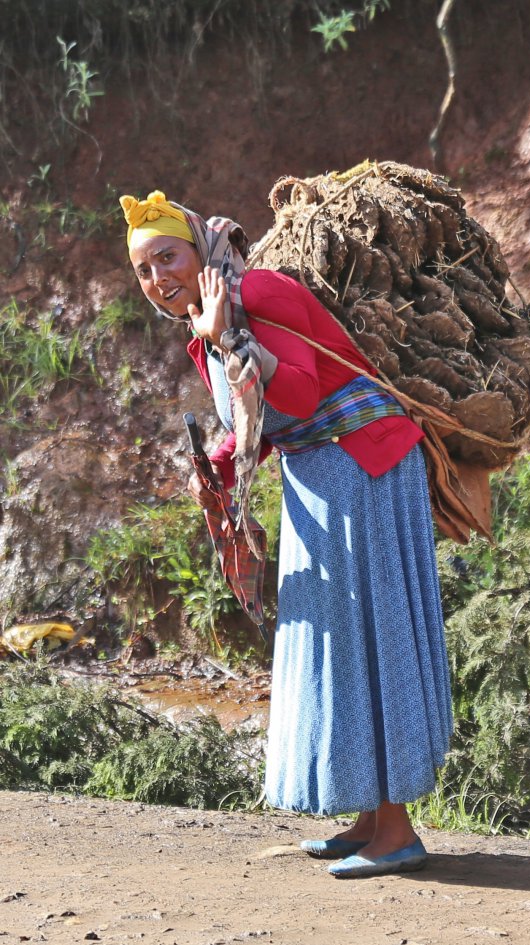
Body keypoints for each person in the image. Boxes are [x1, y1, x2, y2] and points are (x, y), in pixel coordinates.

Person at [120, 190, 453, 879]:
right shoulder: (212, 322)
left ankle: (398, 831)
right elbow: (266, 422)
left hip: (364, 465)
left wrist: (222, 337)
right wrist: (215, 464)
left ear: (201, 249)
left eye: (167, 256)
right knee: (339, 640)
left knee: (366, 636)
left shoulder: (260, 293)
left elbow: (300, 393)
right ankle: (368, 817)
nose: (158, 277)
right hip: (321, 472)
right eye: (144, 269)